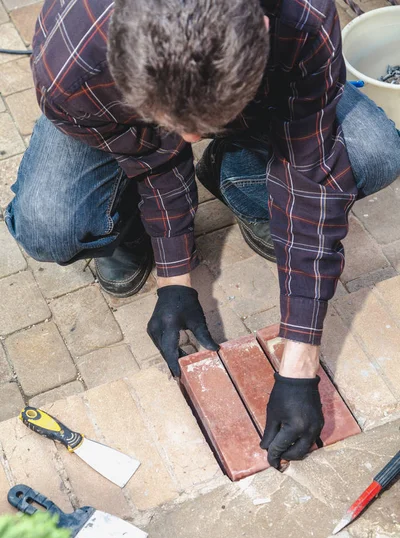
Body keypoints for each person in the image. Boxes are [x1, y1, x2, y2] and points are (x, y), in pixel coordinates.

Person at [5, 0, 400, 469]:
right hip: (102, 100)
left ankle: (240, 176)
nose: (188, 141)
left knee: (373, 153)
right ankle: (124, 228)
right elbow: (154, 158)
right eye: (173, 125)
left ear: (265, 30)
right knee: (51, 226)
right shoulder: (73, 66)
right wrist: (174, 277)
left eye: (203, 127)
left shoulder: (304, 18)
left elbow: (311, 173)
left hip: (260, 77)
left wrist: (300, 363)